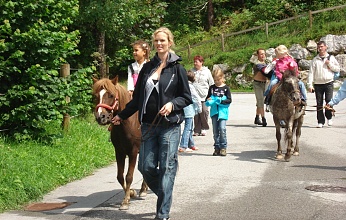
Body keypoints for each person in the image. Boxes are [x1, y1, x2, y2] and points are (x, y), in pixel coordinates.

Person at [111, 27, 192, 220]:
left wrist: (173, 104)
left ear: (170, 43)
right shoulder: (147, 68)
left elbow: (186, 97)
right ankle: (165, 194)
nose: (159, 44)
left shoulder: (177, 68)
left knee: (166, 167)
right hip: (148, 125)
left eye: (163, 40)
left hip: (170, 126)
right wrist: (122, 115)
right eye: (156, 41)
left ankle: (162, 212)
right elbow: (138, 98)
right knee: (145, 167)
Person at [264, 45, 307, 112]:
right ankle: (268, 99)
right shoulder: (277, 61)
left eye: (278, 54)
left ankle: (303, 99)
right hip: (279, 77)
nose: (277, 55)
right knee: (272, 83)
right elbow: (270, 70)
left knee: (301, 84)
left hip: (290, 78)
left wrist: (292, 66)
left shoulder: (291, 60)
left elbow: (295, 70)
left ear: (283, 53)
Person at [307, 41, 340, 128]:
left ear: (325, 47)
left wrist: (329, 64)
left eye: (321, 46)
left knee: (329, 101)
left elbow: (337, 69)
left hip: (329, 82)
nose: (320, 48)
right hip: (318, 84)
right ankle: (320, 121)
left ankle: (329, 117)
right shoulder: (315, 60)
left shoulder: (331, 58)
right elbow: (311, 73)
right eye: (319, 47)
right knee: (319, 103)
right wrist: (310, 85)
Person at [205, 68, 232, 156]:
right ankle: (217, 147)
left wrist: (220, 100)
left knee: (222, 128)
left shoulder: (226, 88)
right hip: (214, 112)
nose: (216, 81)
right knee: (215, 131)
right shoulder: (212, 88)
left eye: (218, 79)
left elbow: (229, 100)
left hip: (223, 112)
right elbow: (207, 98)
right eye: (215, 80)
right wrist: (209, 100)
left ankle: (223, 147)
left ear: (222, 77)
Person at [179, 70, 202, 153]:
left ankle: (191, 144)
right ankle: (183, 146)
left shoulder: (181, 85)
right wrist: (199, 108)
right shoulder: (190, 86)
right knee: (188, 128)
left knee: (190, 127)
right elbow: (195, 98)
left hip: (183, 108)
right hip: (189, 109)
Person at [191, 55, 214, 136]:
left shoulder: (207, 71)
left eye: (196, 62)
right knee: (196, 113)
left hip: (204, 95)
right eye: (194, 62)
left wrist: (211, 95)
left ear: (201, 62)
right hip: (194, 96)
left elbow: (211, 84)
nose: (195, 63)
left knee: (204, 111)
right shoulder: (192, 71)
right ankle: (197, 129)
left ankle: (204, 127)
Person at [252, 48, 269, 127]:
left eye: (264, 54)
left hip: (264, 84)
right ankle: (263, 119)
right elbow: (263, 70)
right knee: (260, 101)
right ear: (258, 55)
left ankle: (256, 117)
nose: (263, 55)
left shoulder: (266, 62)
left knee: (260, 101)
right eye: (261, 54)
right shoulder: (257, 64)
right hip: (257, 84)